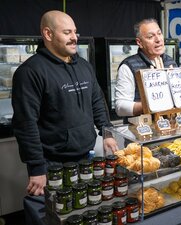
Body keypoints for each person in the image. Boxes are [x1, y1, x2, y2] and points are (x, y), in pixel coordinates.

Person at [12, 10, 118, 221]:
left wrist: (106, 132)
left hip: (86, 158)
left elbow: (97, 100)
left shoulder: (84, 66)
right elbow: (26, 124)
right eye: (67, 32)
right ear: (48, 34)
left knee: (84, 212)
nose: (74, 37)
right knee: (55, 217)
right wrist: (37, 168)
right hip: (52, 165)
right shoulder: (30, 72)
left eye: (75, 32)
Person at [115, 18, 177, 122]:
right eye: (150, 36)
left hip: (170, 127)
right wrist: (154, 104)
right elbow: (120, 107)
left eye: (159, 33)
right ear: (139, 42)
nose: (158, 39)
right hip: (142, 132)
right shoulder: (128, 66)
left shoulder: (170, 62)